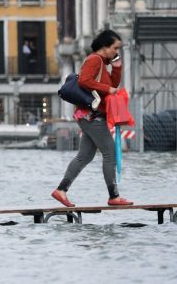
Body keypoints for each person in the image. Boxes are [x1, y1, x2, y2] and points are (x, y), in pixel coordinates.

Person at [51, 29, 133, 207]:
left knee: (84, 156)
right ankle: (114, 196)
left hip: (88, 116)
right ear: (104, 47)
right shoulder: (94, 59)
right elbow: (84, 81)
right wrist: (108, 90)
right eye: (115, 48)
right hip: (92, 116)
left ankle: (61, 190)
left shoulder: (102, 63)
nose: (117, 52)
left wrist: (117, 68)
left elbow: (111, 84)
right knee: (109, 153)